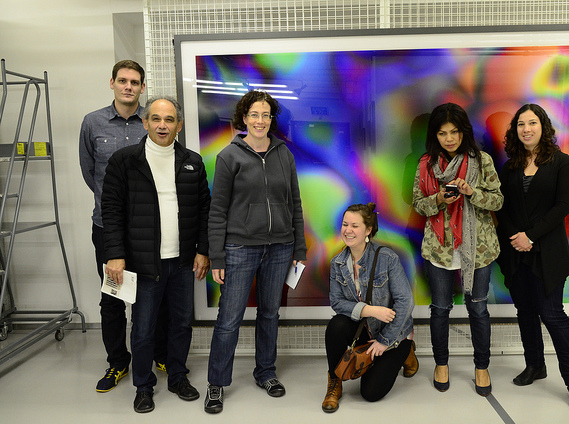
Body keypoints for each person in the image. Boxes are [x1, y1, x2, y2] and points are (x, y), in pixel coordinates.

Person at [102, 96, 211, 413]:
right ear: (145, 122)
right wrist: (115, 254)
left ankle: (177, 377)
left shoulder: (192, 161)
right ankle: (143, 386)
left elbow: (204, 210)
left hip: (182, 261)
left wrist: (203, 251)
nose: (163, 125)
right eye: (156, 119)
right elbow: (111, 211)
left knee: (181, 324)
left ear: (179, 125)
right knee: (143, 328)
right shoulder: (125, 161)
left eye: (169, 120)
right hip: (143, 262)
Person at [205, 90, 307, 414]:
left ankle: (265, 372)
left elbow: (295, 203)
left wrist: (299, 246)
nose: (260, 121)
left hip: (280, 247)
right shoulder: (229, 156)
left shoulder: (284, 154)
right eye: (254, 115)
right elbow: (217, 211)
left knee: (269, 314)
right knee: (229, 318)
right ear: (244, 118)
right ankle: (216, 383)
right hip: (240, 248)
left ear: (271, 119)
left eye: (266, 115)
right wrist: (217, 256)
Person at [79, 60, 169, 393]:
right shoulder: (93, 123)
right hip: (107, 227)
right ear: (112, 83)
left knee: (154, 295)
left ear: (142, 87)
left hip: (149, 228)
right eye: (122, 81)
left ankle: (159, 354)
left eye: (134, 82)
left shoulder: (154, 120)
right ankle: (118, 362)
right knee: (113, 298)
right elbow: (91, 173)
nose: (128, 86)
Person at [495, 104, 569, 413]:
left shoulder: (562, 163)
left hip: (547, 253)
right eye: (521, 124)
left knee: (552, 314)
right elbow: (501, 207)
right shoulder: (509, 167)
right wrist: (516, 237)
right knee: (525, 312)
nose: (526, 129)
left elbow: (562, 206)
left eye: (532, 123)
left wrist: (530, 236)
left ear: (543, 126)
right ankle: (535, 366)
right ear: (515, 130)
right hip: (515, 251)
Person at [412, 103, 503, 396]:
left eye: (454, 132)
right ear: (434, 135)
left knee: (478, 308)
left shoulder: (482, 161)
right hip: (439, 249)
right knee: (440, 309)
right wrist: (439, 198)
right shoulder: (426, 165)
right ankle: (441, 364)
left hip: (478, 249)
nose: (449, 139)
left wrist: (470, 192)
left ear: (464, 132)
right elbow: (418, 204)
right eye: (442, 133)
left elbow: (498, 201)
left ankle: (481, 366)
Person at [322, 203, 417, 413]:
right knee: (336, 325)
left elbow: (406, 302)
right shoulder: (337, 263)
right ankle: (334, 381)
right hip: (362, 328)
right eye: (345, 224)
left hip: (392, 333)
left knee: (370, 393)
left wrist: (385, 340)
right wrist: (370, 310)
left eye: (354, 226)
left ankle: (407, 351)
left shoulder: (387, 258)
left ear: (368, 230)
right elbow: (336, 302)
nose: (348, 230)